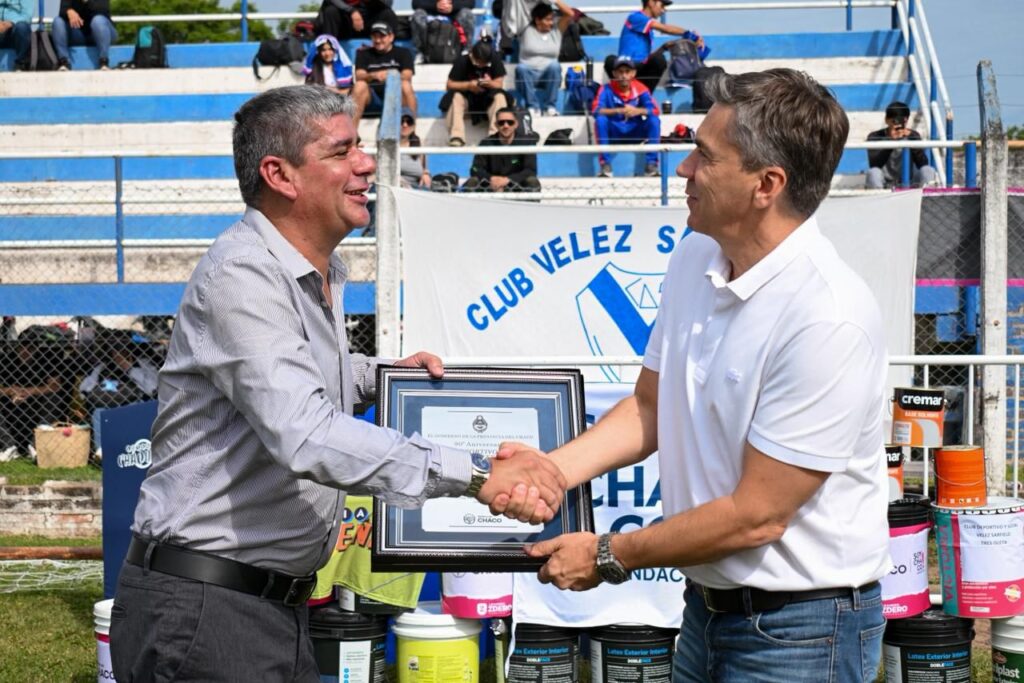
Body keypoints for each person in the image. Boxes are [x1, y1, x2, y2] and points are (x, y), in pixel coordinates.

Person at [108, 85, 566, 682]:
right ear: (280, 175)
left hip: (264, 605)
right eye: (342, 150)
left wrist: (380, 378)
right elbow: (304, 432)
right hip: (209, 612)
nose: (367, 162)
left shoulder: (310, 271)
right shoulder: (243, 275)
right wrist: (475, 474)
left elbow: (284, 377)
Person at [495, 69, 890, 683]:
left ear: (767, 184)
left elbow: (757, 514)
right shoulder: (695, 255)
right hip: (706, 612)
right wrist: (553, 470)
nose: (683, 169)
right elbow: (653, 405)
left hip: (803, 632)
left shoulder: (827, 317)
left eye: (704, 155)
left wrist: (606, 554)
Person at [77, 328, 159, 455]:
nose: (118, 352)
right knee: (98, 413)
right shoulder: (103, 366)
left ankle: (131, 449)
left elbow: (152, 388)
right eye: (114, 348)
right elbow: (84, 388)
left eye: (121, 347)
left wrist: (128, 368)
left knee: (133, 408)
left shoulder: (143, 364)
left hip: (133, 403)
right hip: (107, 404)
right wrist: (98, 392)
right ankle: (101, 451)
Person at [606, 0, 704, 95]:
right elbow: (665, 28)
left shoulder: (648, 30)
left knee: (659, 60)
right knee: (610, 60)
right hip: (626, 68)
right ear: (651, 2)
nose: (664, 10)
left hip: (639, 69)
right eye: (662, 5)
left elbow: (646, 58)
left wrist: (663, 48)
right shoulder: (635, 17)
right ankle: (618, 94)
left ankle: (644, 96)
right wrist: (691, 35)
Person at [592, 56, 661, 178]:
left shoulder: (641, 88)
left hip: (635, 131)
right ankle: (605, 166)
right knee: (600, 120)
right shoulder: (606, 89)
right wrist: (618, 110)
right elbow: (596, 110)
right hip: (614, 131)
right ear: (614, 73)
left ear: (633, 73)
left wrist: (638, 111)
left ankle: (651, 165)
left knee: (654, 121)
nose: (624, 75)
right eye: (620, 72)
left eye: (627, 72)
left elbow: (655, 110)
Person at [0, 332, 65, 460]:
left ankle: (35, 445)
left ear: (36, 348)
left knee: (55, 398)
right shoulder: (7, 360)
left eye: (30, 348)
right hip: (11, 403)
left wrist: (29, 391)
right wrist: (10, 391)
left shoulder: (47, 359)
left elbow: (55, 386)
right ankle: (8, 446)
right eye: (21, 347)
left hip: (37, 403)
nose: (25, 351)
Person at [442, 39, 509, 147]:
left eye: (484, 63)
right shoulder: (462, 61)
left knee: (500, 97)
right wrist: (469, 85)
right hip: (467, 99)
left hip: (488, 99)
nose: (481, 65)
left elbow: (499, 84)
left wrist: (488, 83)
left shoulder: (495, 59)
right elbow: (449, 85)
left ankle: (495, 136)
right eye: (480, 62)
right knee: (457, 97)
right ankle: (457, 136)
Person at [515, 0, 574, 118]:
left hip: (549, 75)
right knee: (521, 68)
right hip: (529, 74)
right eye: (547, 19)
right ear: (537, 20)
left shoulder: (556, 31)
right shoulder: (525, 30)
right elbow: (520, 9)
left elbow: (570, 14)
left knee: (555, 66)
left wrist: (555, 1)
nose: (551, 22)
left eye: (552, 19)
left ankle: (550, 107)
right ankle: (532, 107)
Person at [351, 22, 417, 126]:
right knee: (359, 85)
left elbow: (407, 76)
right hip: (373, 99)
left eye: (382, 36)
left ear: (391, 37)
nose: (378, 40)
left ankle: (411, 132)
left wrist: (391, 75)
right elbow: (359, 76)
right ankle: (351, 137)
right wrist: (373, 75)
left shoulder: (403, 53)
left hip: (396, 98)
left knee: (405, 85)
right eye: (375, 37)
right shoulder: (363, 53)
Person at [463, 106, 540, 193]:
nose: (506, 126)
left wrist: (507, 180)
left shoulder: (526, 143)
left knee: (532, 182)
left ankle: (529, 207)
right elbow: (475, 169)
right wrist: (491, 178)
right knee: (472, 182)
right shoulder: (486, 143)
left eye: (510, 122)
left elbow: (530, 170)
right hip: (490, 185)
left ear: (516, 124)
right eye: (501, 122)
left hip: (516, 185)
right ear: (496, 125)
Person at [866, 100, 939, 189]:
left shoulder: (913, 135)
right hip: (885, 182)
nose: (897, 124)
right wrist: (891, 141)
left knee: (928, 170)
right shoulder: (875, 136)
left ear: (906, 120)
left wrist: (912, 140)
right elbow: (875, 164)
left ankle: (928, 201)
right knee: (873, 173)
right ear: (886, 120)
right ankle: (878, 200)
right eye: (894, 120)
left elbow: (923, 163)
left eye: (901, 120)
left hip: (910, 181)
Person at [52, 0, 116, 71]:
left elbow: (102, 11)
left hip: (104, 33)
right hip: (79, 33)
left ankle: (104, 61)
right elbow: (62, 10)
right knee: (58, 21)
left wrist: (86, 2)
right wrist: (68, 11)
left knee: (98, 20)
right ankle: (64, 62)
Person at [314, 0, 397, 41]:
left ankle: (389, 57)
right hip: (345, 23)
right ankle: (328, 50)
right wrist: (352, 11)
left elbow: (388, 3)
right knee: (330, 11)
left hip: (369, 23)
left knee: (388, 13)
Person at [399, 106, 432, 189]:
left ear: (413, 126)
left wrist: (425, 174)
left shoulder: (419, 145)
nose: (405, 125)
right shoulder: (387, 146)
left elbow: (424, 169)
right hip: (395, 188)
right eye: (401, 121)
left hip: (415, 189)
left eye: (409, 122)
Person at [0, 0, 31, 72]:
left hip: (14, 29)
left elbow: (27, 15)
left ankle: (20, 65)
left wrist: (10, 23)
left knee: (22, 27)